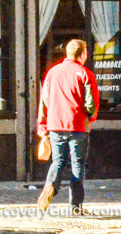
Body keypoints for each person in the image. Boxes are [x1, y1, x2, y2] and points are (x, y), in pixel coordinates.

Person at [36, 39, 99, 215]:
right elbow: (91, 102)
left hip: (55, 124)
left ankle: (50, 186)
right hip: (78, 124)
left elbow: (44, 100)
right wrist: (91, 117)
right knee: (77, 164)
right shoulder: (85, 74)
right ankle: (75, 206)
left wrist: (42, 124)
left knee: (58, 161)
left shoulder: (52, 73)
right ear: (83, 54)